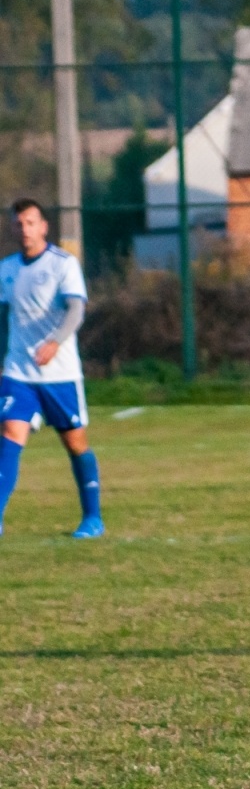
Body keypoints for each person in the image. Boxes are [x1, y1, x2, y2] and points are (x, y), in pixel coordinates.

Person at [0, 198, 102, 538]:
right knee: (10, 435)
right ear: (13, 228)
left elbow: (76, 311)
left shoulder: (63, 264)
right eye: (19, 224)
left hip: (60, 375)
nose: (25, 229)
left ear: (43, 226)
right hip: (19, 372)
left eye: (31, 222)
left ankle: (92, 518)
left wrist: (55, 341)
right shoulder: (7, 269)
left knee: (75, 443)